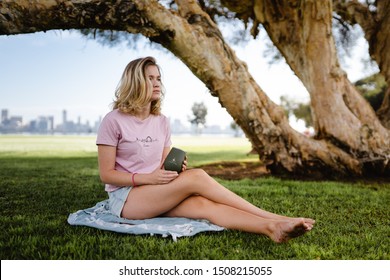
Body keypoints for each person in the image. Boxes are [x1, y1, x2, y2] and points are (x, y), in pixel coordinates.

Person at [96, 56, 315, 243]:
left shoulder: (161, 121)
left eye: (158, 78)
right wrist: (149, 178)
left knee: (204, 206)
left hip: (155, 192)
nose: (157, 83)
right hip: (126, 199)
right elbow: (107, 175)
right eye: (150, 78)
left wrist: (175, 169)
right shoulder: (113, 120)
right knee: (198, 177)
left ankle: (271, 228)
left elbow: (163, 168)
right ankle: (275, 216)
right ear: (135, 82)